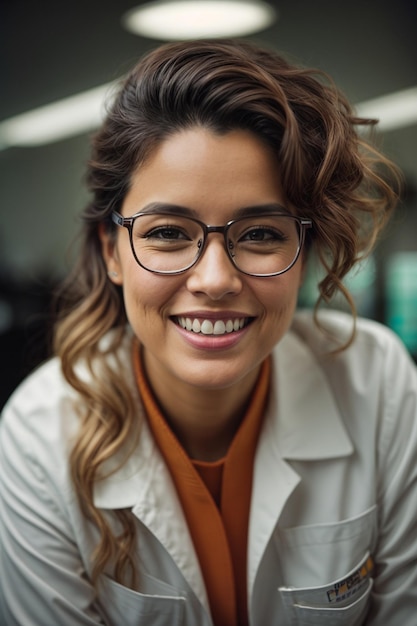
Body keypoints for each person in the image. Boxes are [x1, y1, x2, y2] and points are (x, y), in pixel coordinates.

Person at [0, 39, 416, 626]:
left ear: (305, 254)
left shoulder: (380, 386)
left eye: (262, 234)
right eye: (168, 232)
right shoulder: (40, 434)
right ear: (112, 252)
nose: (215, 280)